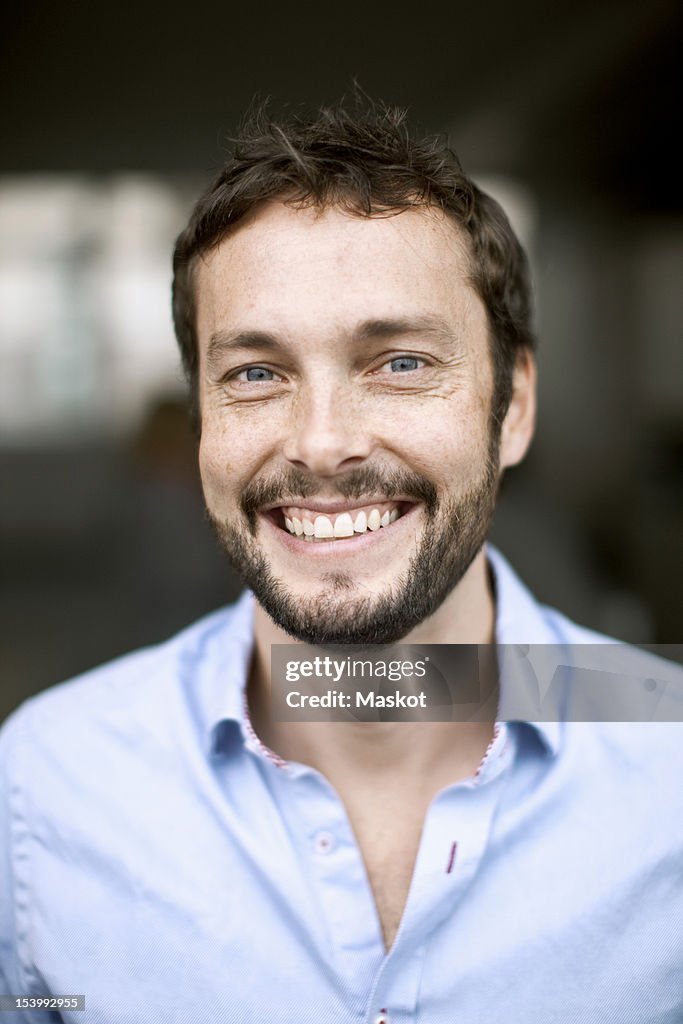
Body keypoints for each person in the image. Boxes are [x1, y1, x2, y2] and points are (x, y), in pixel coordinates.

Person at [1, 97, 681, 1024]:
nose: (321, 445)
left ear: (512, 406)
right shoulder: (47, 782)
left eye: (399, 362)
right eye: (253, 373)